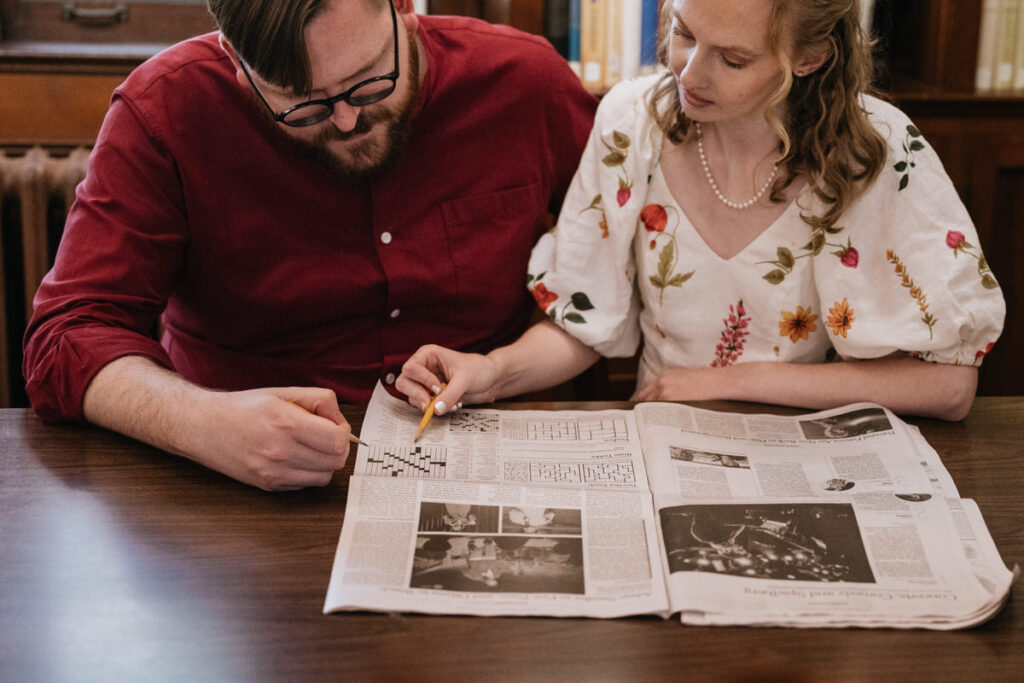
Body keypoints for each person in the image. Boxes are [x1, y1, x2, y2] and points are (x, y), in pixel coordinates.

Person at [22, 0, 597, 491]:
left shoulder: (525, 83)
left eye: (372, 80)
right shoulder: (166, 111)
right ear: (241, 71)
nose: (346, 121)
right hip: (238, 483)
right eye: (304, 104)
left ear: (402, 8)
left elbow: (628, 267)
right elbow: (65, 335)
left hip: (489, 456)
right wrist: (204, 422)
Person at [397, 0, 1005, 422]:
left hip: (812, 452)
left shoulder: (878, 150)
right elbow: (583, 322)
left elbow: (948, 385)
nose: (688, 72)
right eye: (684, 32)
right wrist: (490, 371)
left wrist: (731, 382)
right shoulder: (631, 123)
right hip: (662, 447)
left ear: (809, 57)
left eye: (733, 59)